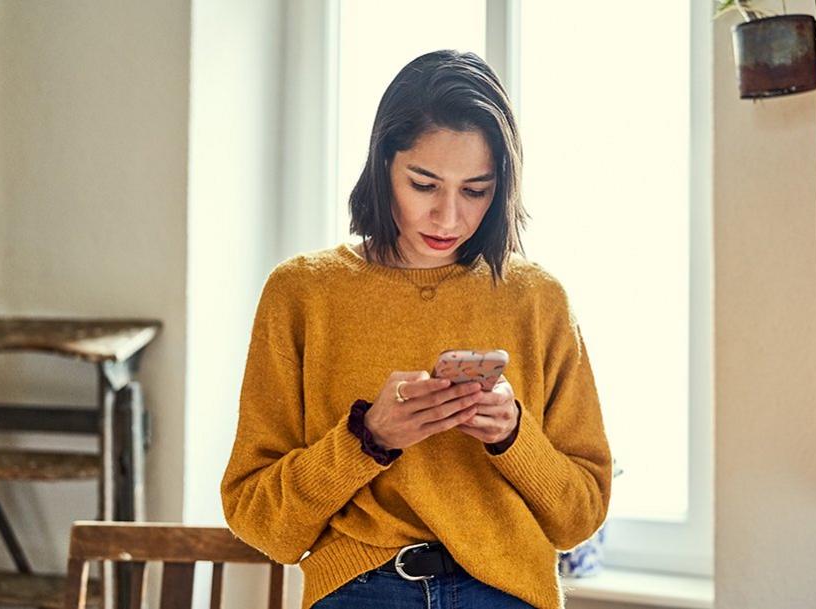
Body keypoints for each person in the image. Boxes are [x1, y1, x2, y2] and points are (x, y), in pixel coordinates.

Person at [220, 49, 611, 609]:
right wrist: (368, 439)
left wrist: (512, 437)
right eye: (425, 185)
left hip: (507, 591)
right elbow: (260, 521)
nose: (449, 218)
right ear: (383, 166)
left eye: (476, 190)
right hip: (359, 588)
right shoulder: (302, 293)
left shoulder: (537, 300)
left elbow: (579, 517)